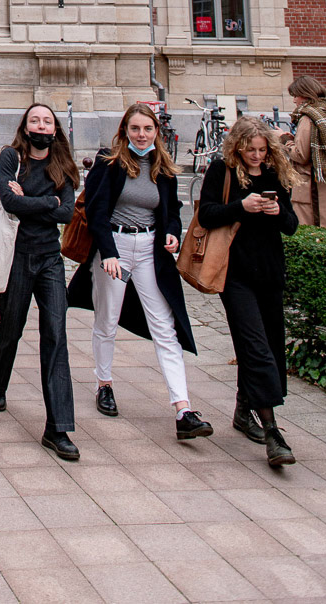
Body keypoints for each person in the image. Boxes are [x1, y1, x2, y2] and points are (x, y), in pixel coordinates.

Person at [67, 105, 213, 441]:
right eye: (135, 129)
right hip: (114, 246)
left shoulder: (163, 167)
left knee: (165, 325)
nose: (141, 135)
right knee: (107, 319)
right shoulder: (109, 163)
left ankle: (183, 408)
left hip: (149, 250)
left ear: (156, 131)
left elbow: (172, 209)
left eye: (147, 128)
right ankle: (104, 384)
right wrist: (109, 253)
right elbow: (95, 211)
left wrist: (173, 232)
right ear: (124, 130)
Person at [198, 116, 299, 467]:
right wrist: (241, 206)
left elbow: (291, 226)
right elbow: (207, 215)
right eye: (250, 150)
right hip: (235, 275)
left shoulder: (274, 175)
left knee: (270, 346)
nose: (256, 156)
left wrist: (275, 209)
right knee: (256, 348)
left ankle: (243, 412)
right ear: (237, 147)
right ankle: (273, 432)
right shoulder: (220, 171)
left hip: (270, 273)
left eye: (262, 150)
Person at [0, 104, 80, 461]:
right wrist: (46, 203)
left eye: (47, 121)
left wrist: (32, 201)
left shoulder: (63, 165)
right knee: (11, 327)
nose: (41, 125)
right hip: (17, 258)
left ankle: (58, 428)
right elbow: (9, 202)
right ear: (24, 127)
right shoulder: (12, 157)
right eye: (34, 120)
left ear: (55, 129)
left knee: (56, 334)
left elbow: (67, 212)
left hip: (50, 259)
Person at [284, 76, 326, 226]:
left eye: (295, 95)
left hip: (312, 192)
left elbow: (301, 156)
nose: (294, 100)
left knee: (313, 236)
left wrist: (285, 141)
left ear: (305, 94)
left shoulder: (308, 118)